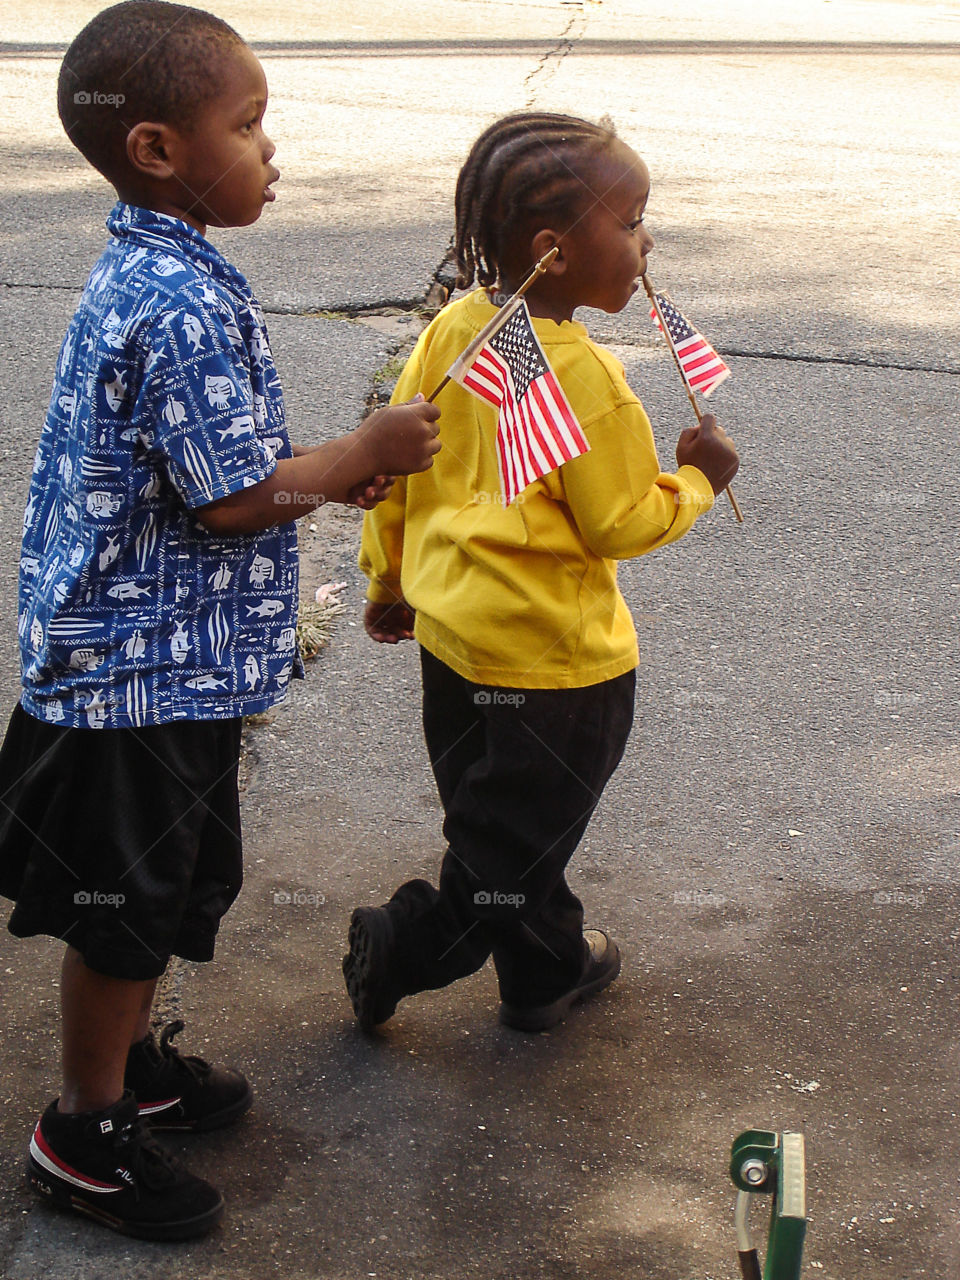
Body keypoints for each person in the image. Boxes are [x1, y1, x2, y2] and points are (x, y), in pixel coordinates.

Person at [0, 0, 440, 1242]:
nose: (269, 147)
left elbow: (218, 469)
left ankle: (131, 1067)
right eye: (246, 125)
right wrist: (354, 450)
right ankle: (83, 1129)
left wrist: (324, 474)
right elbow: (233, 496)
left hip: (166, 667)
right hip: (133, 678)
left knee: (169, 886)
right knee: (123, 911)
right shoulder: (176, 302)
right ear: (156, 149)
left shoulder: (164, 269)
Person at [343, 111, 738, 1037]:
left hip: (452, 643)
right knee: (503, 852)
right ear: (553, 251)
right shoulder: (587, 381)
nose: (647, 243)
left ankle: (544, 972)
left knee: (504, 827)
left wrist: (388, 581)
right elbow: (619, 521)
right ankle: (407, 945)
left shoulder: (457, 329)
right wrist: (698, 482)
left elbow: (400, 472)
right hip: (556, 672)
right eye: (631, 222)